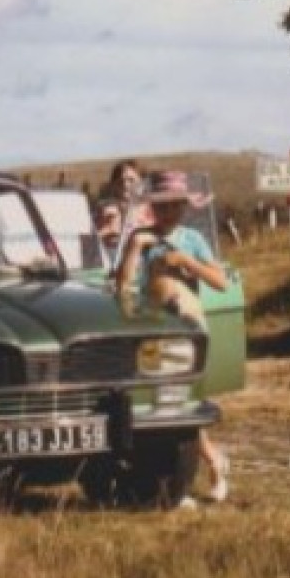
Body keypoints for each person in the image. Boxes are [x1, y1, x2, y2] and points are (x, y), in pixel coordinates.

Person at [115, 169, 231, 503]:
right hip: (153, 331)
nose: (168, 214)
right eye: (161, 207)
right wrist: (136, 248)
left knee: (181, 402)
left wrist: (184, 261)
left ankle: (194, 472)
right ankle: (202, 467)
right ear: (153, 208)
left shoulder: (193, 239)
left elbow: (220, 282)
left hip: (187, 328)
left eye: (174, 207)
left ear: (183, 207)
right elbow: (123, 286)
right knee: (164, 406)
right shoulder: (141, 236)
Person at [95, 159, 150, 267]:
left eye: (131, 180)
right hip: (106, 266)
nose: (125, 185)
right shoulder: (104, 212)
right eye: (120, 181)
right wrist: (106, 231)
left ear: (143, 184)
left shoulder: (153, 212)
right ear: (113, 185)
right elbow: (85, 249)